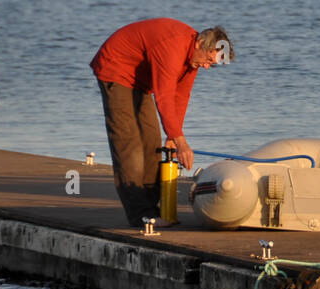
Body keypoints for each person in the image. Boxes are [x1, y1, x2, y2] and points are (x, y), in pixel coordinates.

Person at [90, 19, 233, 226]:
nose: (206, 67)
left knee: (152, 141)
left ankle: (151, 210)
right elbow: (164, 96)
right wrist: (181, 142)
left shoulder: (192, 59)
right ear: (200, 44)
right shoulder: (173, 48)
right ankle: (140, 215)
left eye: (211, 64)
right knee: (129, 144)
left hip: (140, 80)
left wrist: (174, 136)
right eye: (208, 60)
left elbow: (180, 96)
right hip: (115, 69)